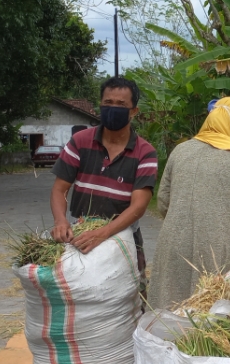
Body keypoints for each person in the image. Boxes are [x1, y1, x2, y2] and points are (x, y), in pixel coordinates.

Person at [148, 97, 230, 310]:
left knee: (170, 302)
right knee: (208, 309)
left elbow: (163, 201)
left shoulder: (180, 151)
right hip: (216, 243)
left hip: (173, 237)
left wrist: (179, 220)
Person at [52, 79, 159, 275]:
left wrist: (102, 233)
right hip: (81, 234)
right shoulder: (80, 141)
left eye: (121, 105)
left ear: (134, 111)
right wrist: (60, 221)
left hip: (124, 236)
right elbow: (60, 189)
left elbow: (139, 206)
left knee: (132, 297)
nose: (113, 109)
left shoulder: (145, 152)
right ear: (100, 105)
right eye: (108, 103)